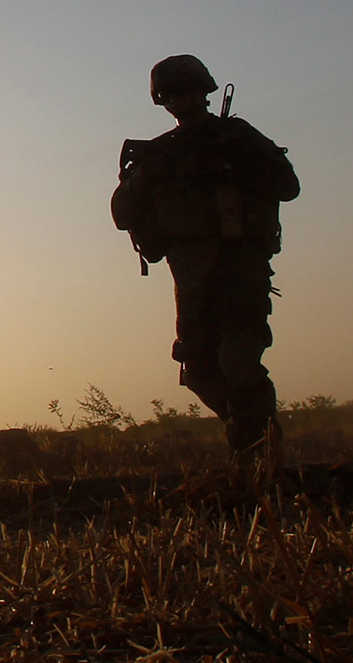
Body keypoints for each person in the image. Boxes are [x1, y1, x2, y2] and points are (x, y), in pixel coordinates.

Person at [110, 55, 300, 456]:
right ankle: (250, 435)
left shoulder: (236, 136)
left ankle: (260, 453)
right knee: (197, 369)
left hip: (240, 267)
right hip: (191, 275)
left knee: (240, 360)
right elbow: (121, 213)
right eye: (172, 93)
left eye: (188, 90)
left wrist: (226, 167)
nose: (181, 99)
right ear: (162, 101)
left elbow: (288, 185)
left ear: (205, 91)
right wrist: (150, 175)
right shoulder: (159, 153)